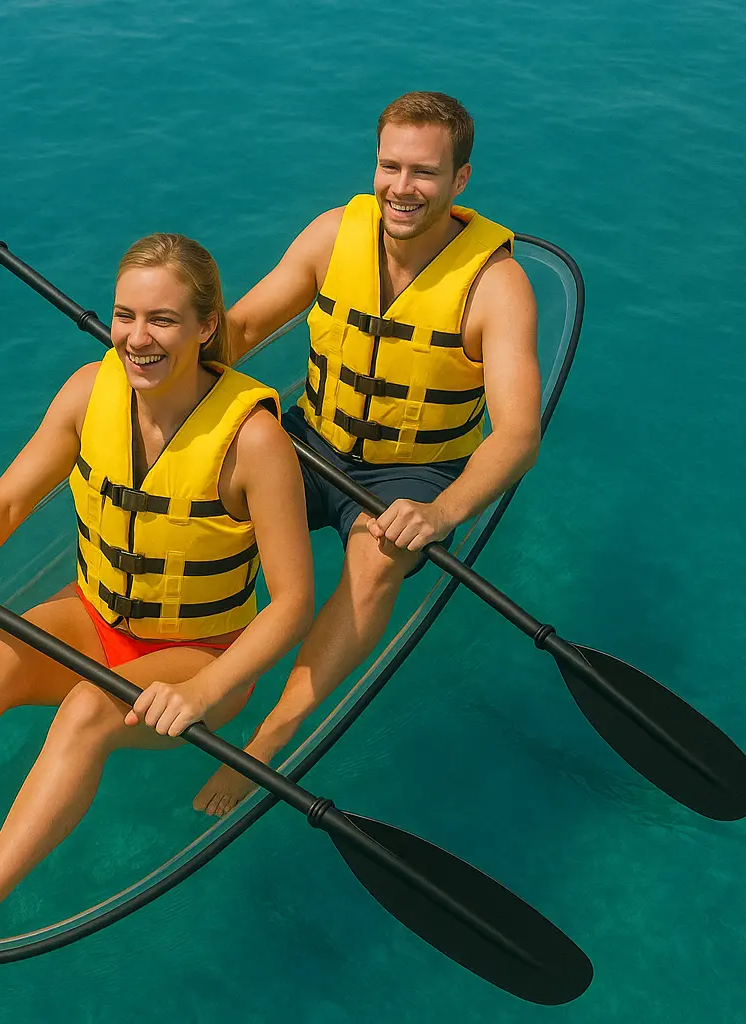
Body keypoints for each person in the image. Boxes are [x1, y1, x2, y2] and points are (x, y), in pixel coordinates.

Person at [0, 234, 314, 943]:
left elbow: (293, 601)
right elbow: (7, 505)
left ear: (207, 326)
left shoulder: (255, 441)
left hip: (201, 655)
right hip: (95, 615)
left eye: (162, 320)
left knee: (87, 710)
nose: (137, 338)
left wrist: (204, 694)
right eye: (126, 316)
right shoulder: (89, 393)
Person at [194, 91, 541, 817]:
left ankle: (273, 732)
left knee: (376, 555)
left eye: (423, 171)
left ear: (460, 181)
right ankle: (197, 653)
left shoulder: (497, 286)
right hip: (315, 434)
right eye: (390, 166)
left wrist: (441, 511)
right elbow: (247, 322)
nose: (402, 187)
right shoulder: (332, 234)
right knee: (205, 475)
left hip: (414, 469)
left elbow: (517, 433)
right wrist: (167, 346)